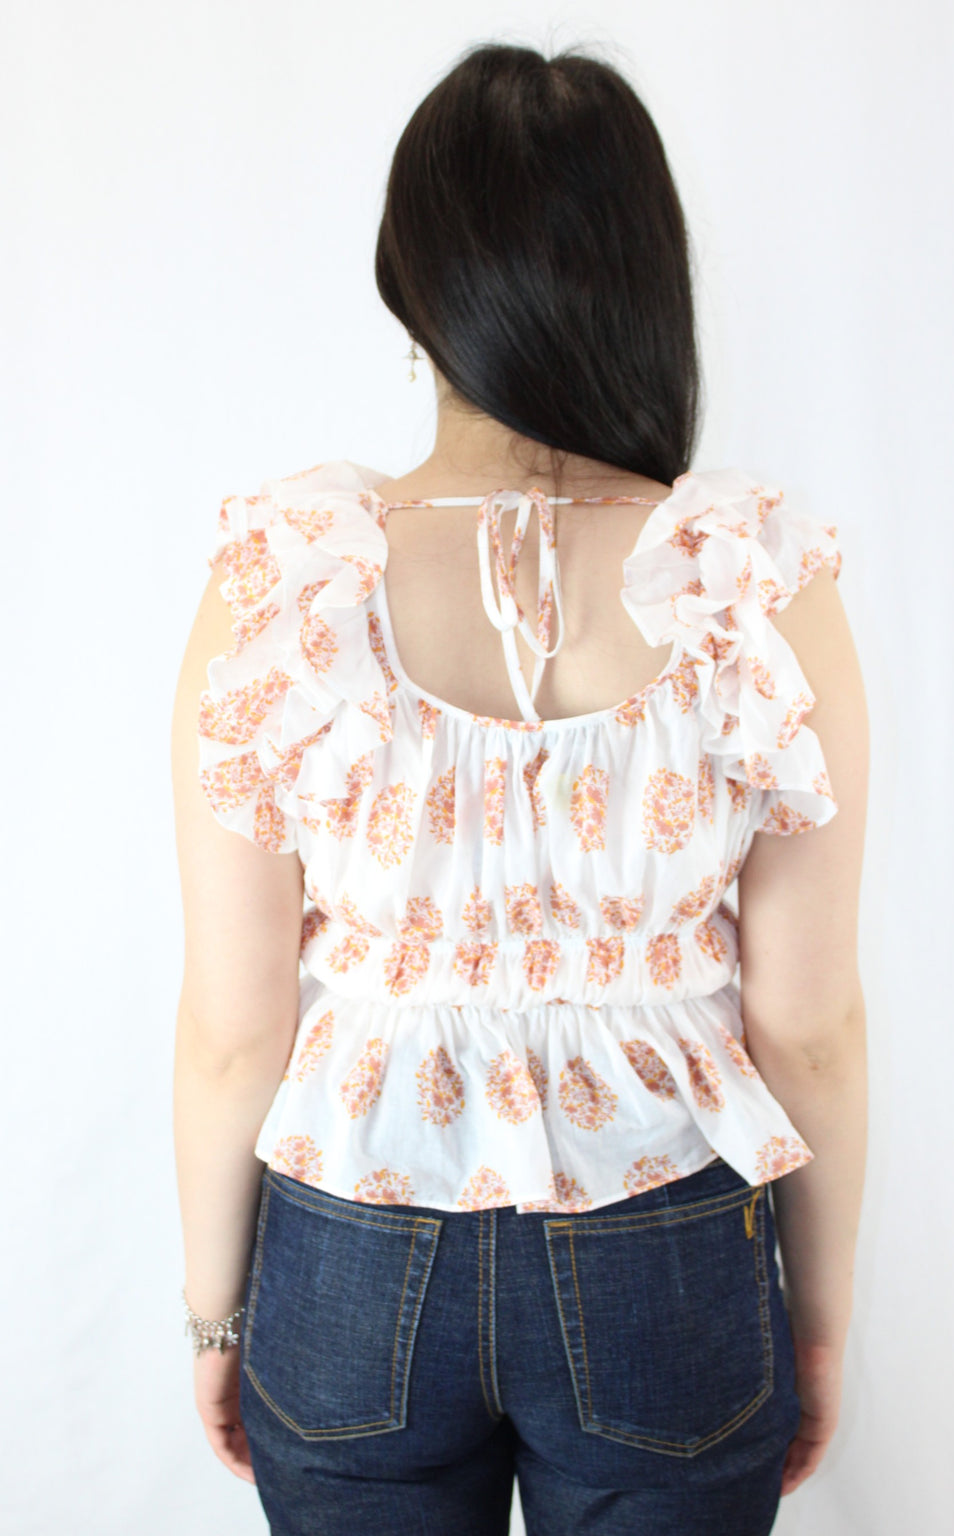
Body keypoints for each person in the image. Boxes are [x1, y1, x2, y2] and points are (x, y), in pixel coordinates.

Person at [170, 39, 869, 1536]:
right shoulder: (753, 578)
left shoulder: (282, 580)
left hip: (349, 1252)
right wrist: (818, 1321)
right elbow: (809, 1025)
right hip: (668, 1244)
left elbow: (234, 1033)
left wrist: (217, 1316)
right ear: (645, 283)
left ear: (408, 281)